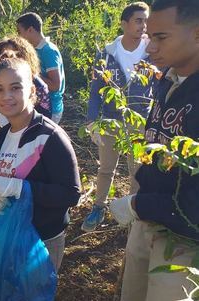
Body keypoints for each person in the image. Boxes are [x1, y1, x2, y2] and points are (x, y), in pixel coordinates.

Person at [109, 0, 199, 300]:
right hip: (146, 221)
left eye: (161, 38)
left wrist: (137, 205)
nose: (149, 48)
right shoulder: (167, 80)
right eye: (150, 37)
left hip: (183, 241)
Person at [0, 57, 80, 273]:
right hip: (7, 235)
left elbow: (71, 194)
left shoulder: (50, 136)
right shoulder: (2, 135)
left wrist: (19, 188)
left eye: (15, 88)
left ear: (32, 91)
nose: (6, 96)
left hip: (41, 242)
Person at [81, 2, 154, 232]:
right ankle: (99, 207)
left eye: (145, 21)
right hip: (112, 120)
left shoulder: (153, 51)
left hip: (141, 119)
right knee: (106, 168)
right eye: (138, 20)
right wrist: (92, 120)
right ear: (124, 24)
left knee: (137, 170)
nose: (143, 26)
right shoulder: (107, 52)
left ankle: (132, 213)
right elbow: (95, 90)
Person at [0, 36, 52, 126]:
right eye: (4, 58)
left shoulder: (39, 86)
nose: (11, 61)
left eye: (15, 88)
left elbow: (45, 116)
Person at [17, 12, 66, 123]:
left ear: (30, 30)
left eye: (20, 32)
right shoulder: (34, 50)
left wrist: (32, 73)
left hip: (51, 109)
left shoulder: (48, 51)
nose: (19, 37)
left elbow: (55, 86)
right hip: (40, 106)